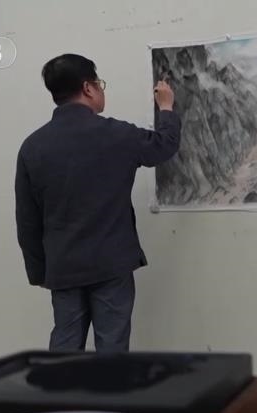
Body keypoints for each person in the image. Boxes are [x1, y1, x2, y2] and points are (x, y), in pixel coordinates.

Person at [15, 53, 181, 352]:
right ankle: (107, 387)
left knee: (64, 349)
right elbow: (162, 146)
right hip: (111, 264)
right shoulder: (115, 135)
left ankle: (59, 386)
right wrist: (166, 107)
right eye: (99, 84)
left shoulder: (32, 147)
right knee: (112, 349)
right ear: (88, 88)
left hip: (63, 268)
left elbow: (27, 220)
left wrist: (39, 272)